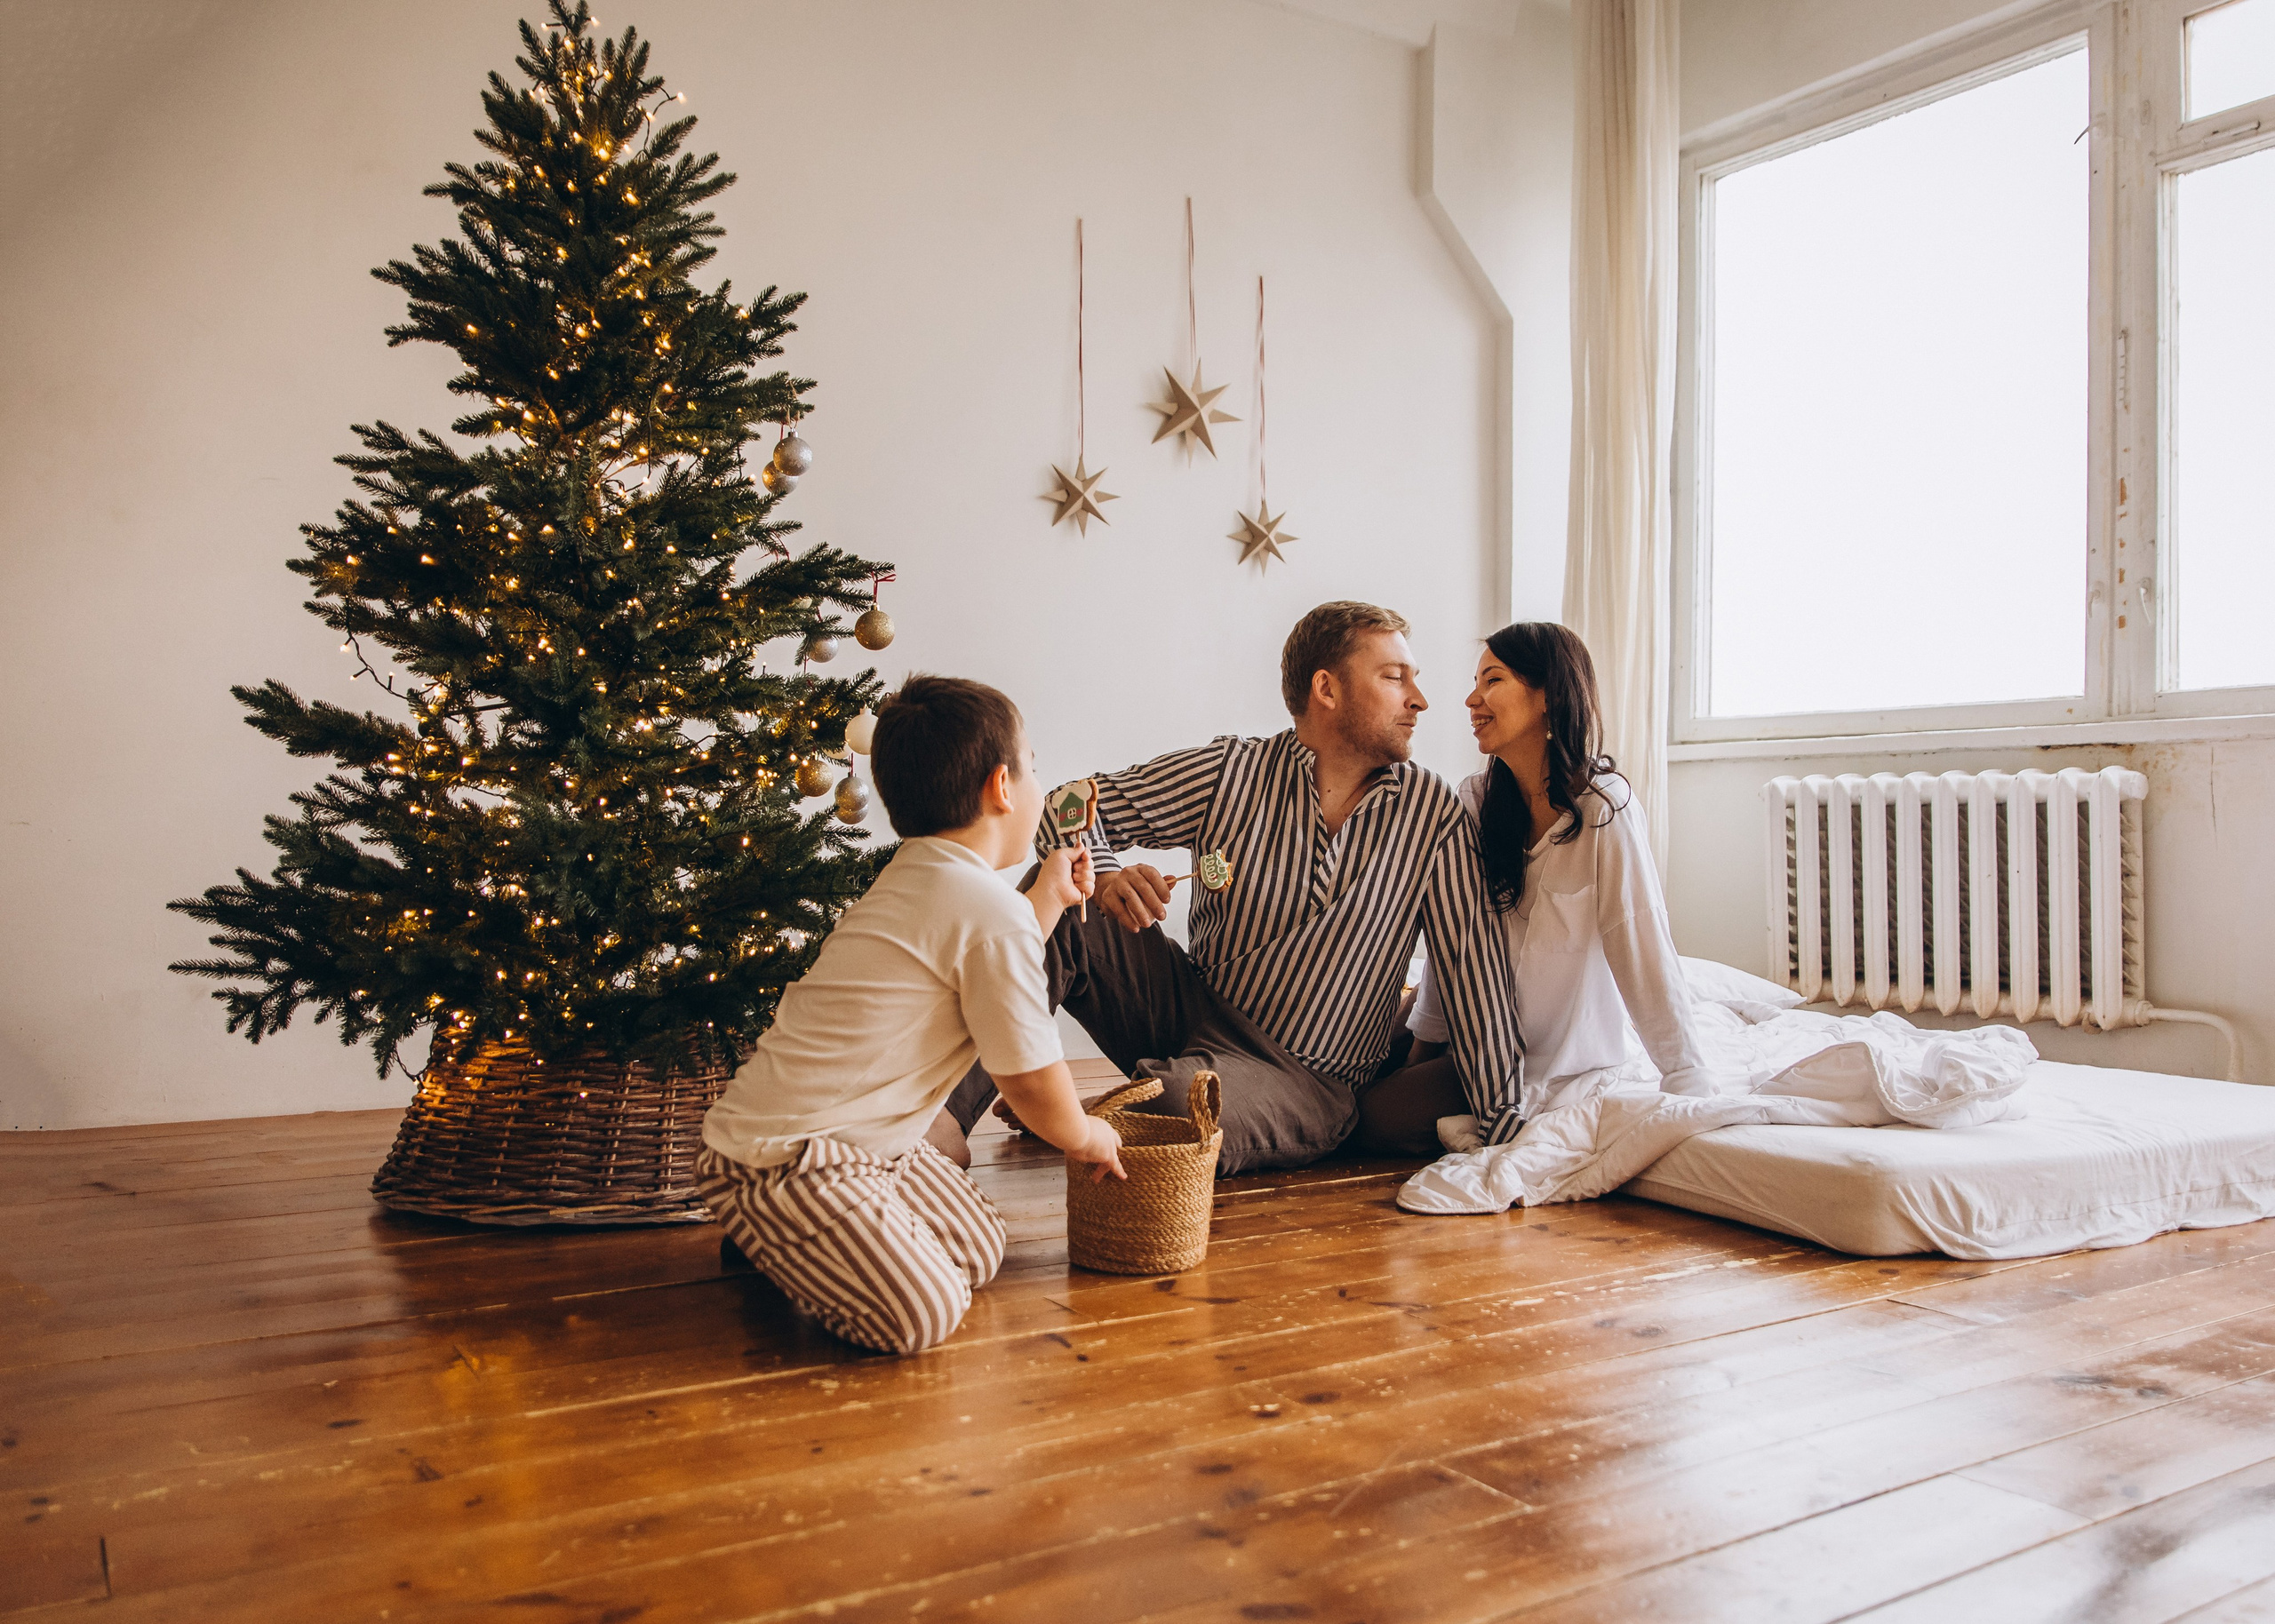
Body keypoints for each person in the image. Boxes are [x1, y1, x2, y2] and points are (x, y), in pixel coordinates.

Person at [934, 601, 1524, 1176]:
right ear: (1326, 689)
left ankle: (1082, 1109)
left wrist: (1508, 1133)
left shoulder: (1434, 814)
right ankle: (941, 1118)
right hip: (1190, 1010)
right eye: (1395, 678)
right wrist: (1106, 875)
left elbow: (1475, 976)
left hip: (1305, 1078)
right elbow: (1063, 804)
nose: (1419, 699)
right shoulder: (1231, 771)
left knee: (1180, 1102)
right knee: (1059, 892)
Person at [696, 675, 1126, 1356]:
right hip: (782, 1158)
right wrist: (1085, 1134)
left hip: (863, 1144)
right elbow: (1029, 1078)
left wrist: (1047, 897)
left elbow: (991, 955)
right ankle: (784, 1239)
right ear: (1002, 787)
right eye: (1033, 766)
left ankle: (813, 1247)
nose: (1039, 785)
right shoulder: (985, 910)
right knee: (927, 1311)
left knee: (978, 1247)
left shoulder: (925, 876)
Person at [1360, 622, 1710, 1156]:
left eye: (1493, 680)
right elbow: (1454, 941)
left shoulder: (1604, 809)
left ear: (1548, 695)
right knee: (1351, 1058)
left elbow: (1642, 944)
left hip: (1534, 1059)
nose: (1471, 700)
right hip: (1471, 1025)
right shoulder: (1476, 800)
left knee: (1371, 1119)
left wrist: (1686, 1079)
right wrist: (1421, 1052)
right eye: (1475, 683)